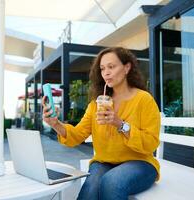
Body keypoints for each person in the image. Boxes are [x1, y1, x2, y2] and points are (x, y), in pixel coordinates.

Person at [43, 47, 161, 200]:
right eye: (102, 68)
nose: (106, 72)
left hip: (140, 163)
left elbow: (151, 143)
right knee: (91, 188)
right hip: (104, 163)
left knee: (111, 182)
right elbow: (77, 135)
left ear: (127, 67)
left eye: (111, 67)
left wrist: (120, 124)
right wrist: (55, 124)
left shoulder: (144, 100)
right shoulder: (96, 104)